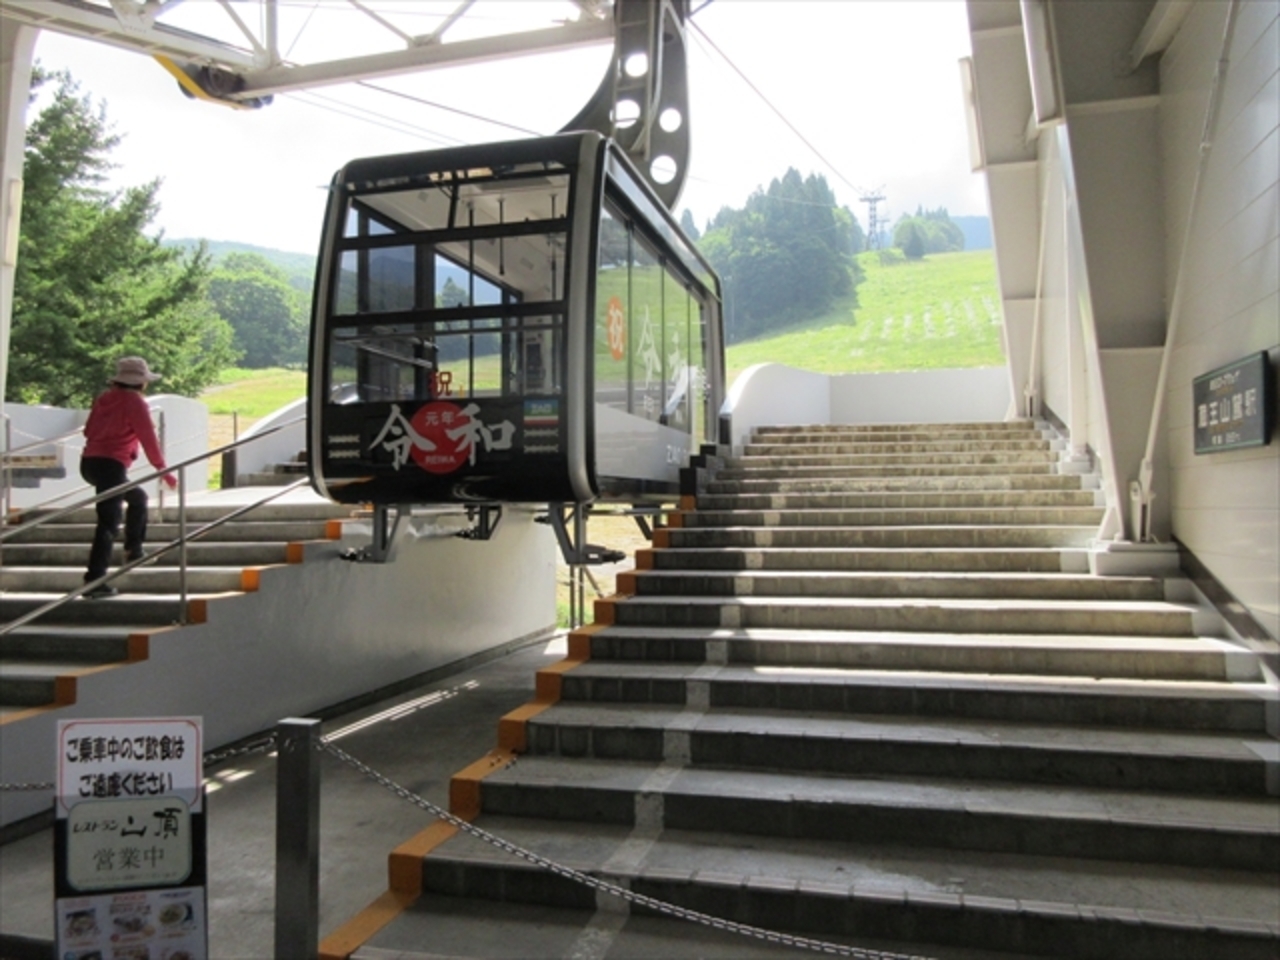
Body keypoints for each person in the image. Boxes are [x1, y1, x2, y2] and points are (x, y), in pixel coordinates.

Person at [79, 357, 178, 598]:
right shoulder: (135, 403)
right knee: (108, 523)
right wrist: (164, 472)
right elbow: (148, 439)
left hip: (89, 463)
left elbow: (88, 431)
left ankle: (134, 550)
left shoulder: (104, 398)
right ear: (142, 383)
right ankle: (94, 581)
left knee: (137, 498)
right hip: (111, 466)